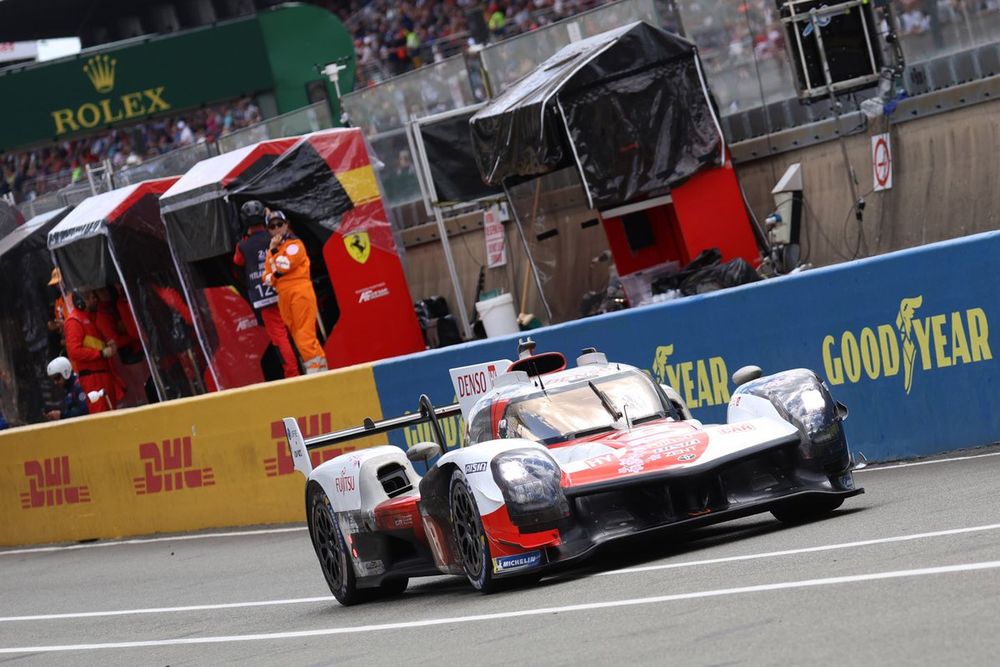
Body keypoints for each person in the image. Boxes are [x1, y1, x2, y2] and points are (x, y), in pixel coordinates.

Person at [234, 201, 300, 378]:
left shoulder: (242, 245)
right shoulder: (275, 236)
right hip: (285, 290)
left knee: (280, 338)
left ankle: (292, 374)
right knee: (299, 330)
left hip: (264, 297)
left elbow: (237, 261)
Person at [262, 209, 328, 375]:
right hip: (283, 295)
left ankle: (315, 371)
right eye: (272, 226)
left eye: (279, 224)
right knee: (296, 333)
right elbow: (266, 277)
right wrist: (275, 270)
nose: (277, 229)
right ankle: (319, 368)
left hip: (300, 291)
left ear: (286, 225)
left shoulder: (294, 245)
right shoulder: (272, 251)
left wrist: (275, 263)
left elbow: (283, 266)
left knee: (304, 333)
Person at [63, 289, 125, 414]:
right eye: (92, 297)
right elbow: (74, 351)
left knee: (112, 413)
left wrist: (107, 346)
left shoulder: (90, 319)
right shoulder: (74, 321)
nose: (95, 300)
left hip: (103, 375)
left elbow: (92, 345)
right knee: (101, 415)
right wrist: (101, 353)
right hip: (93, 379)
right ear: (81, 302)